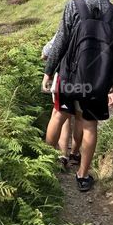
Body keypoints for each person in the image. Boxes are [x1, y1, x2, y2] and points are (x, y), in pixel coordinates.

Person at [43, 0, 113, 192]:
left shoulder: (74, 6)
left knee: (58, 115)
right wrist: (112, 85)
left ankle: (43, 166)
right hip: (98, 82)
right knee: (90, 126)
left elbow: (60, 42)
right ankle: (82, 175)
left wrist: (49, 72)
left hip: (69, 77)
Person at [41, 37, 82, 170]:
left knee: (61, 115)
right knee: (81, 117)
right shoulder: (105, 19)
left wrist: (48, 71)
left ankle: (60, 156)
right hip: (89, 76)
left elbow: (51, 48)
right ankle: (75, 154)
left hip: (66, 75)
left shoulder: (71, 16)